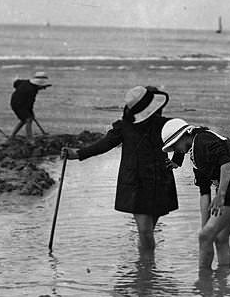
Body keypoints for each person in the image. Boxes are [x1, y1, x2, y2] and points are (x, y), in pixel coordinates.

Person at [63, 86, 178, 262]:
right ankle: (147, 271)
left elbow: (186, 138)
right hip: (136, 184)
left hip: (160, 181)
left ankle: (144, 269)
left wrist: (183, 156)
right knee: (145, 232)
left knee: (147, 232)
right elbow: (104, 144)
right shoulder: (124, 127)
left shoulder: (165, 125)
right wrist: (78, 153)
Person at [160, 118, 230, 270]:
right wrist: (205, 224)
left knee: (206, 237)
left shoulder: (203, 139)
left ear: (184, 136)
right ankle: (222, 279)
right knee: (219, 237)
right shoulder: (194, 156)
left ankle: (203, 277)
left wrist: (221, 196)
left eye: (175, 145)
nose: (176, 150)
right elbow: (204, 191)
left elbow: (226, 163)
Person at [9, 70, 51, 140]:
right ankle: (30, 139)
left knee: (24, 120)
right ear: (38, 84)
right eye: (43, 87)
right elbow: (29, 104)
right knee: (28, 119)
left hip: (16, 101)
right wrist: (31, 112)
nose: (44, 88)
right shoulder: (31, 91)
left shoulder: (26, 82)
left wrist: (30, 112)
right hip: (18, 104)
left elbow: (16, 83)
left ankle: (12, 135)